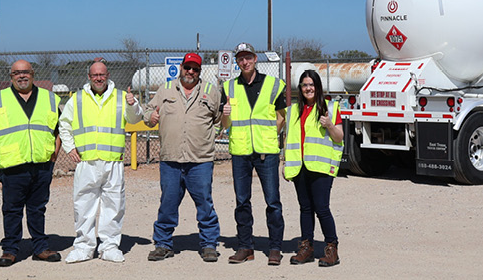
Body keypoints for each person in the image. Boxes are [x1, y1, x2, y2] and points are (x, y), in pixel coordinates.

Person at [0, 60, 63, 267]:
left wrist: (55, 152)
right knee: (12, 209)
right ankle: (10, 250)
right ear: (10, 77)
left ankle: (40, 248)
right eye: (17, 73)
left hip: (42, 164)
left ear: (33, 74)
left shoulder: (50, 98)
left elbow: (59, 128)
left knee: (38, 209)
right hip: (12, 166)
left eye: (25, 72)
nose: (22, 76)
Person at [58, 60, 142, 263]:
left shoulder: (122, 97)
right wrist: (69, 148)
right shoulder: (77, 99)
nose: (98, 78)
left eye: (102, 75)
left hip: (112, 162)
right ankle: (84, 247)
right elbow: (64, 124)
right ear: (89, 76)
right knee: (83, 205)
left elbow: (134, 119)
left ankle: (109, 246)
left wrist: (133, 104)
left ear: (108, 75)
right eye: (95, 75)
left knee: (113, 205)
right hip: (86, 163)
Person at [144, 52, 224, 263]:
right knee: (168, 203)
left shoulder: (210, 91)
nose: (190, 72)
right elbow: (149, 112)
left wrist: (210, 135)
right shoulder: (166, 89)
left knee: (205, 204)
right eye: (187, 67)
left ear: (199, 71)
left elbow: (218, 119)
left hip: (200, 160)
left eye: (195, 69)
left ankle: (208, 244)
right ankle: (163, 244)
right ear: (181, 68)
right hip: (171, 158)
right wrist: (149, 117)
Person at [220, 42, 288, 265]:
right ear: (236, 61)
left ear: (255, 58)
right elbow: (224, 122)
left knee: (273, 202)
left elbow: (281, 117)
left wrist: (268, 136)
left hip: (266, 152)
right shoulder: (229, 87)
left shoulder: (274, 84)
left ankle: (275, 248)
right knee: (242, 202)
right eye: (240, 58)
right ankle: (245, 246)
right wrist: (225, 115)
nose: (245, 62)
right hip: (240, 151)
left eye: (248, 57)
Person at [283, 69, 344, 267]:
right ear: (300, 89)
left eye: (311, 84)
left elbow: (339, 137)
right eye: (304, 85)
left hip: (321, 167)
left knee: (322, 208)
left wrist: (330, 125)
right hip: (299, 167)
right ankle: (306, 248)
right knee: (305, 208)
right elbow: (287, 137)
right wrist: (286, 164)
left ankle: (331, 248)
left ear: (318, 87)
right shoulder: (293, 110)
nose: (308, 88)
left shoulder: (331, 108)